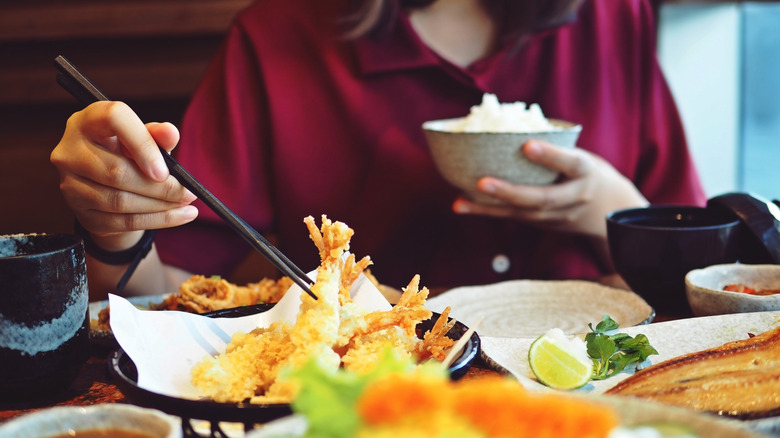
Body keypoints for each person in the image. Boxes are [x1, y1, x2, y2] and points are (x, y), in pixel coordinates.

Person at [51, 0, 706, 301]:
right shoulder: (279, 34)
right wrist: (114, 226)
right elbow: (153, 289)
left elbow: (703, 273)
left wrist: (615, 210)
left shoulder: (614, 17)